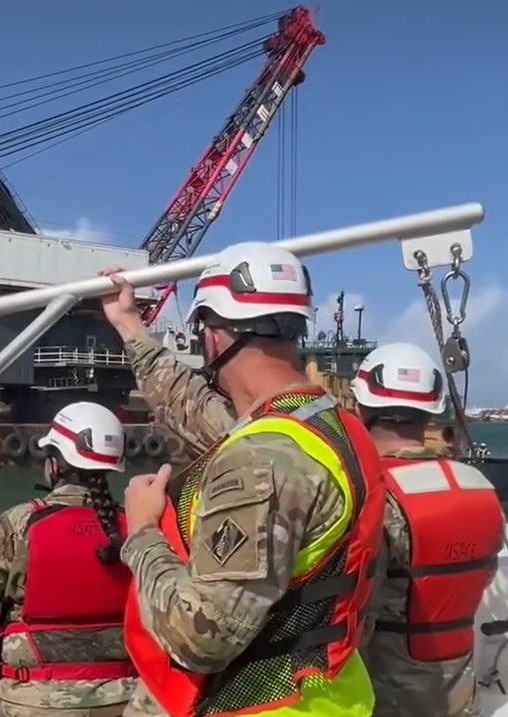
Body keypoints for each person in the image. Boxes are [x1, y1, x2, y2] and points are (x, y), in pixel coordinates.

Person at [97, 243, 386, 717]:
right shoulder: (328, 426)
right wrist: (130, 326)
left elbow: (202, 639)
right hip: (328, 696)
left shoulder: (259, 459)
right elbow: (194, 409)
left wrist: (144, 532)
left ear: (213, 337)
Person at [349, 343, 504, 717]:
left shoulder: (370, 493)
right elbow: (484, 575)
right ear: (432, 411)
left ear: (359, 408)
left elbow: (353, 608)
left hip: (383, 698)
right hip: (459, 696)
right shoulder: (481, 489)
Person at [0, 402, 137, 717]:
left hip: (32, 700)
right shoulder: (137, 527)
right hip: (127, 700)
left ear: (54, 465)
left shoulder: (17, 525)